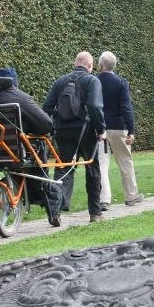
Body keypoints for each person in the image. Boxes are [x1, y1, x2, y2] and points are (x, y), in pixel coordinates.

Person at [42, 51, 106, 223]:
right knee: (92, 170)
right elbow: (94, 106)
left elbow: (47, 107)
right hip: (85, 131)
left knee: (63, 169)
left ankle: (55, 212)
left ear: (74, 63)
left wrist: (51, 128)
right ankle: (95, 213)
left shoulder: (59, 82)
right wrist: (101, 130)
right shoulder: (92, 80)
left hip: (63, 131)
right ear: (91, 66)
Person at [0, 67, 60, 227]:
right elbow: (46, 124)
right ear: (14, 83)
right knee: (41, 167)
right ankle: (53, 210)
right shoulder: (21, 98)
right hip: (21, 152)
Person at [96, 51, 144, 209]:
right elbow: (126, 108)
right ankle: (131, 196)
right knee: (125, 162)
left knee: (102, 164)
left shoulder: (94, 81)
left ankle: (104, 199)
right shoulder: (121, 83)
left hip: (100, 128)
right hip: (118, 126)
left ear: (101, 65)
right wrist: (131, 130)